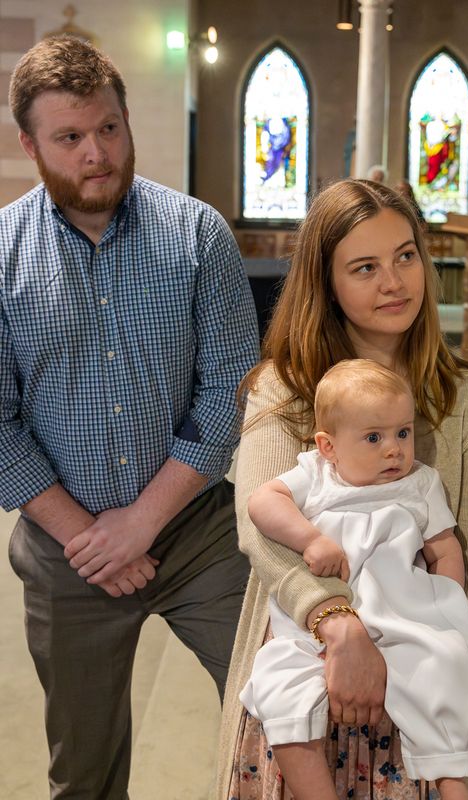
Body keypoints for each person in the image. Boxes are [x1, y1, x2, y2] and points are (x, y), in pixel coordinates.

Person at [1, 35, 259, 799]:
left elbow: (228, 395)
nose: (96, 154)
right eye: (70, 137)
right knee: (83, 771)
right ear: (29, 143)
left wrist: (141, 524)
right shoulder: (2, 252)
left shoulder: (198, 235)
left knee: (279, 709)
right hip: (65, 546)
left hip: (198, 529)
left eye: (109, 128)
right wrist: (92, 538)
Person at [216, 178, 468, 800]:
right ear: (327, 283)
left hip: (421, 683)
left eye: (406, 256)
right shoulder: (286, 390)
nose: (394, 282)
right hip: (308, 661)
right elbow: (262, 530)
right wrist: (340, 628)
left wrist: (407, 660)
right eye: (365, 266)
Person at [240, 359, 468, 800]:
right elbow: (262, 502)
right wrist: (310, 538)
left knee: (444, 672)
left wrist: (448, 605)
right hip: (320, 628)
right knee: (279, 684)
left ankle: (453, 782)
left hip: (402, 613)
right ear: (328, 446)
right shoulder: (315, 477)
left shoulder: (420, 484)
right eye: (373, 438)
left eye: (403, 432)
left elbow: (444, 546)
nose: (394, 449)